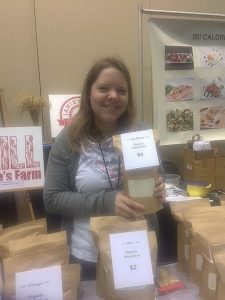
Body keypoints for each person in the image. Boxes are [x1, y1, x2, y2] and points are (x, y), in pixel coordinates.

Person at [43, 57, 166, 281]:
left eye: (121, 90)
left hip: (137, 249)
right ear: (88, 93)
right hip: (88, 256)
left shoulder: (142, 134)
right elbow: (52, 199)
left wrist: (158, 189)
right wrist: (109, 201)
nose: (113, 96)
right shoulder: (68, 140)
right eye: (103, 88)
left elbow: (158, 180)